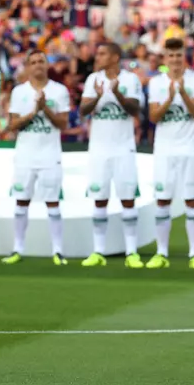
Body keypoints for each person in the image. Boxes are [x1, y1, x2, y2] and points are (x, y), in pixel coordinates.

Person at [79, 42, 144, 268]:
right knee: (99, 198)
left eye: (102, 53)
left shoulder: (130, 80)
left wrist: (117, 94)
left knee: (127, 198)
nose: (97, 56)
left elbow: (135, 110)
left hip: (123, 147)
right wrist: (98, 97)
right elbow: (83, 110)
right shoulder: (93, 79)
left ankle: (132, 252)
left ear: (115, 57)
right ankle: (98, 251)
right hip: (99, 149)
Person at [1, 51, 70, 265]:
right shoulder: (19, 92)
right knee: (21, 202)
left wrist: (45, 108)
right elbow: (12, 125)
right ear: (28, 67)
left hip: (50, 155)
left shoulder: (59, 91)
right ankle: (17, 249)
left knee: (53, 203)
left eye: (42, 61)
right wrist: (33, 112)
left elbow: (63, 124)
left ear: (47, 65)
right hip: (25, 155)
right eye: (34, 62)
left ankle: (57, 251)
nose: (38, 65)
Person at [146, 38, 194, 270]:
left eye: (178, 55)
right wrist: (171, 97)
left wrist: (182, 93)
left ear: (184, 57)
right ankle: (161, 252)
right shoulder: (156, 83)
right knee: (163, 200)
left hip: (190, 149)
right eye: (171, 55)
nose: (175, 59)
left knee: (192, 200)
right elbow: (154, 117)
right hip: (165, 150)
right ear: (165, 58)